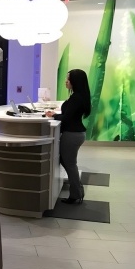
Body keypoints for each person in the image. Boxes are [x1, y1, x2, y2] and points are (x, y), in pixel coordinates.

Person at [45, 69, 91, 204]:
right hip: (75, 133)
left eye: (68, 79)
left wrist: (53, 115)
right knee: (67, 162)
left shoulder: (76, 98)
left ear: (75, 82)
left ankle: (76, 194)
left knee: (70, 164)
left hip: (72, 135)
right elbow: (69, 115)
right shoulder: (78, 96)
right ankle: (78, 191)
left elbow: (66, 118)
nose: (66, 81)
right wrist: (55, 114)